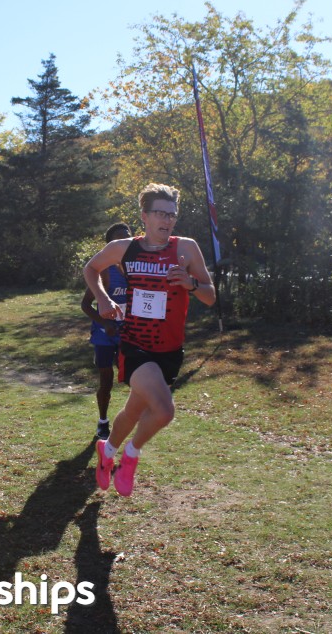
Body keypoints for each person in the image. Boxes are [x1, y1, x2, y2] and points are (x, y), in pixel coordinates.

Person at [83, 183, 215, 497]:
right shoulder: (124, 248)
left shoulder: (186, 249)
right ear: (144, 215)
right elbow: (91, 268)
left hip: (170, 349)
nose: (167, 220)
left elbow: (210, 296)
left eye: (172, 214)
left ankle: (107, 450)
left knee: (133, 411)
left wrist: (191, 283)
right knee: (164, 411)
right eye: (160, 213)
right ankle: (130, 456)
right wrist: (102, 298)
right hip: (135, 344)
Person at [80, 222, 131, 441]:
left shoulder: (134, 270)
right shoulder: (103, 272)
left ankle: (129, 420)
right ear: (110, 245)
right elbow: (85, 305)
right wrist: (105, 322)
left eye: (127, 237)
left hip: (128, 332)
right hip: (105, 335)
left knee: (134, 378)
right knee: (106, 381)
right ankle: (103, 422)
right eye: (119, 239)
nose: (124, 242)